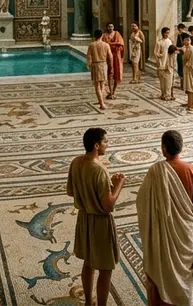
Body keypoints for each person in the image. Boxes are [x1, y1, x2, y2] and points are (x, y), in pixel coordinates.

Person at [137, 130, 193, 306]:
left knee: (159, 271)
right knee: (184, 274)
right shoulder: (192, 171)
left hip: (161, 236)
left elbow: (142, 202)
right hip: (185, 232)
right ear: (180, 148)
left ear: (163, 149)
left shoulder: (156, 171)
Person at [67, 128, 125, 306]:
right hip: (100, 223)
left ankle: (87, 303)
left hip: (83, 219)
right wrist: (118, 185)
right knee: (105, 269)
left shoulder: (76, 162)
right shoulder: (99, 170)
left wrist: (86, 195)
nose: (108, 144)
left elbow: (70, 191)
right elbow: (108, 205)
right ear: (96, 145)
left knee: (88, 263)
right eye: (105, 142)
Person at [87, 30, 111, 110]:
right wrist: (111, 66)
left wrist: (89, 65)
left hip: (95, 65)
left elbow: (88, 57)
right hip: (103, 64)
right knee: (103, 84)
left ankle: (101, 104)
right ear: (102, 36)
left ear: (94, 36)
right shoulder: (106, 45)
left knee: (97, 85)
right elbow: (110, 56)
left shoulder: (91, 45)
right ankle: (101, 101)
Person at [102, 23, 126, 97]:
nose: (110, 28)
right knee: (109, 73)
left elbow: (121, 44)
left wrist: (111, 43)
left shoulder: (117, 34)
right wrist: (115, 44)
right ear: (107, 27)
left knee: (117, 74)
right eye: (109, 27)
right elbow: (104, 45)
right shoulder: (104, 35)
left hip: (117, 56)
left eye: (112, 26)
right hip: (108, 57)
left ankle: (113, 92)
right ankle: (110, 90)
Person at [181, 35, 193, 111]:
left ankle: (192, 105)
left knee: (192, 88)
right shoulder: (187, 49)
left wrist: (186, 64)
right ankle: (189, 103)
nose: (186, 41)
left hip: (191, 72)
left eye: (188, 40)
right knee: (189, 89)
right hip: (187, 71)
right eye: (185, 40)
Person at [154, 27, 176, 101]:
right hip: (162, 63)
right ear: (162, 33)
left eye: (168, 33)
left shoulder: (170, 41)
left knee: (169, 81)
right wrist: (160, 56)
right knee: (163, 81)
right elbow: (156, 52)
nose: (167, 34)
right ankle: (163, 94)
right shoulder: (159, 42)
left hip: (169, 63)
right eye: (166, 33)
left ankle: (168, 94)